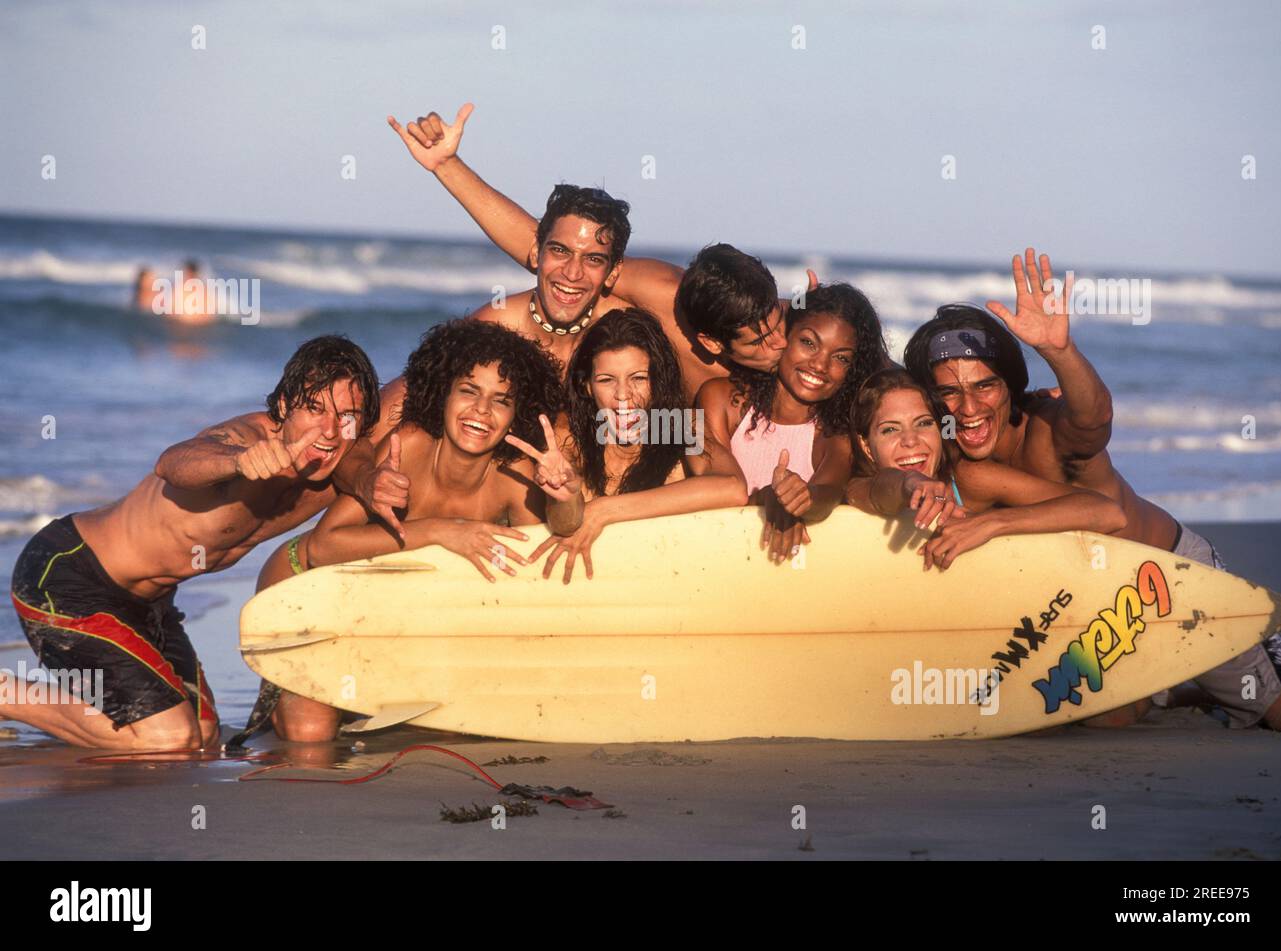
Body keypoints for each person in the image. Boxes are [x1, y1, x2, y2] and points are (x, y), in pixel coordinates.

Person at [902, 248, 1281, 730]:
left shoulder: (1049, 429)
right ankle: (1171, 686)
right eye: (948, 392)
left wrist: (1059, 350)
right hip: (1097, 606)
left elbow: (1094, 420)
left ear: (1010, 384)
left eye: (984, 386)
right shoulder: (957, 461)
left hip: (1170, 579)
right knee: (1106, 720)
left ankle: (1203, 673)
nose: (968, 408)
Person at [5, 336, 381, 750]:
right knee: (170, 738)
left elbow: (416, 384)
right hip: (68, 576)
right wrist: (238, 462)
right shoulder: (246, 440)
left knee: (203, 737)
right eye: (315, 408)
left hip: (149, 605)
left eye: (347, 416)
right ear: (287, 404)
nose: (329, 430)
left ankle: (93, 702)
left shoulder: (338, 464)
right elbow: (174, 462)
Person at [237, 319, 568, 743]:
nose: (481, 411)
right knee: (309, 734)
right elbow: (322, 546)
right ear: (443, 392)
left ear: (515, 413)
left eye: (500, 400)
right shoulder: (408, 444)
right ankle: (276, 710)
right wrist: (438, 531)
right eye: (468, 391)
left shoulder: (514, 476)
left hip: (378, 606)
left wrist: (567, 500)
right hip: (302, 582)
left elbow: (531, 576)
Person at [385, 103, 817, 384]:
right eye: (763, 333)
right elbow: (558, 254)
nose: (776, 342)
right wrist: (447, 166)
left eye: (779, 325)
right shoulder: (668, 298)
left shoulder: (804, 346)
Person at [513, 308, 749, 583]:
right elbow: (564, 524)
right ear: (587, 386)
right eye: (606, 380)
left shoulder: (676, 426)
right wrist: (565, 495)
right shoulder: (568, 432)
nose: (623, 396)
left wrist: (604, 510)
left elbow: (733, 488)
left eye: (638, 378)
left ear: (657, 380)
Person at [845, 367, 1126, 570]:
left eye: (924, 423)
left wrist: (991, 524)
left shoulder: (968, 477)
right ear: (866, 445)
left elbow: (1109, 513)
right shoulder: (857, 486)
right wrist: (910, 484)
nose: (910, 441)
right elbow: (883, 488)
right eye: (890, 429)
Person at [697, 283, 890, 563]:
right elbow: (712, 483)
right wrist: (768, 497)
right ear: (784, 336)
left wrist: (802, 498)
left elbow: (829, 492)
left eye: (841, 358)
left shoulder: (836, 433)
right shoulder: (722, 399)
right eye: (809, 343)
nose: (820, 365)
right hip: (714, 561)